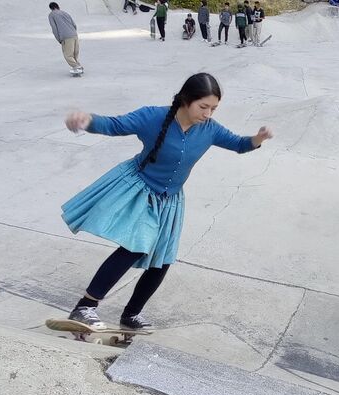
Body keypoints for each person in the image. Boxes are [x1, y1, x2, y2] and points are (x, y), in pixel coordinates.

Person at [61, 73, 273, 330]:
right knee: (135, 247)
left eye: (213, 108)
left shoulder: (210, 129)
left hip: (170, 199)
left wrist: (257, 139)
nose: (207, 114)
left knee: (162, 259)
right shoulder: (154, 116)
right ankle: (85, 306)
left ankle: (131, 314)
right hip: (140, 190)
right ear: (186, 100)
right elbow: (116, 125)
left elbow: (239, 144)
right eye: (203, 107)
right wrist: (88, 121)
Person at [48, 2, 83, 75]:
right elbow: (74, 24)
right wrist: (73, 32)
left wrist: (59, 39)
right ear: (58, 7)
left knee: (68, 54)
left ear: (51, 8)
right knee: (74, 53)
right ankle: (77, 65)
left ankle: (76, 66)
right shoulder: (65, 13)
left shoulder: (52, 15)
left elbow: (54, 28)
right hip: (74, 35)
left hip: (66, 37)